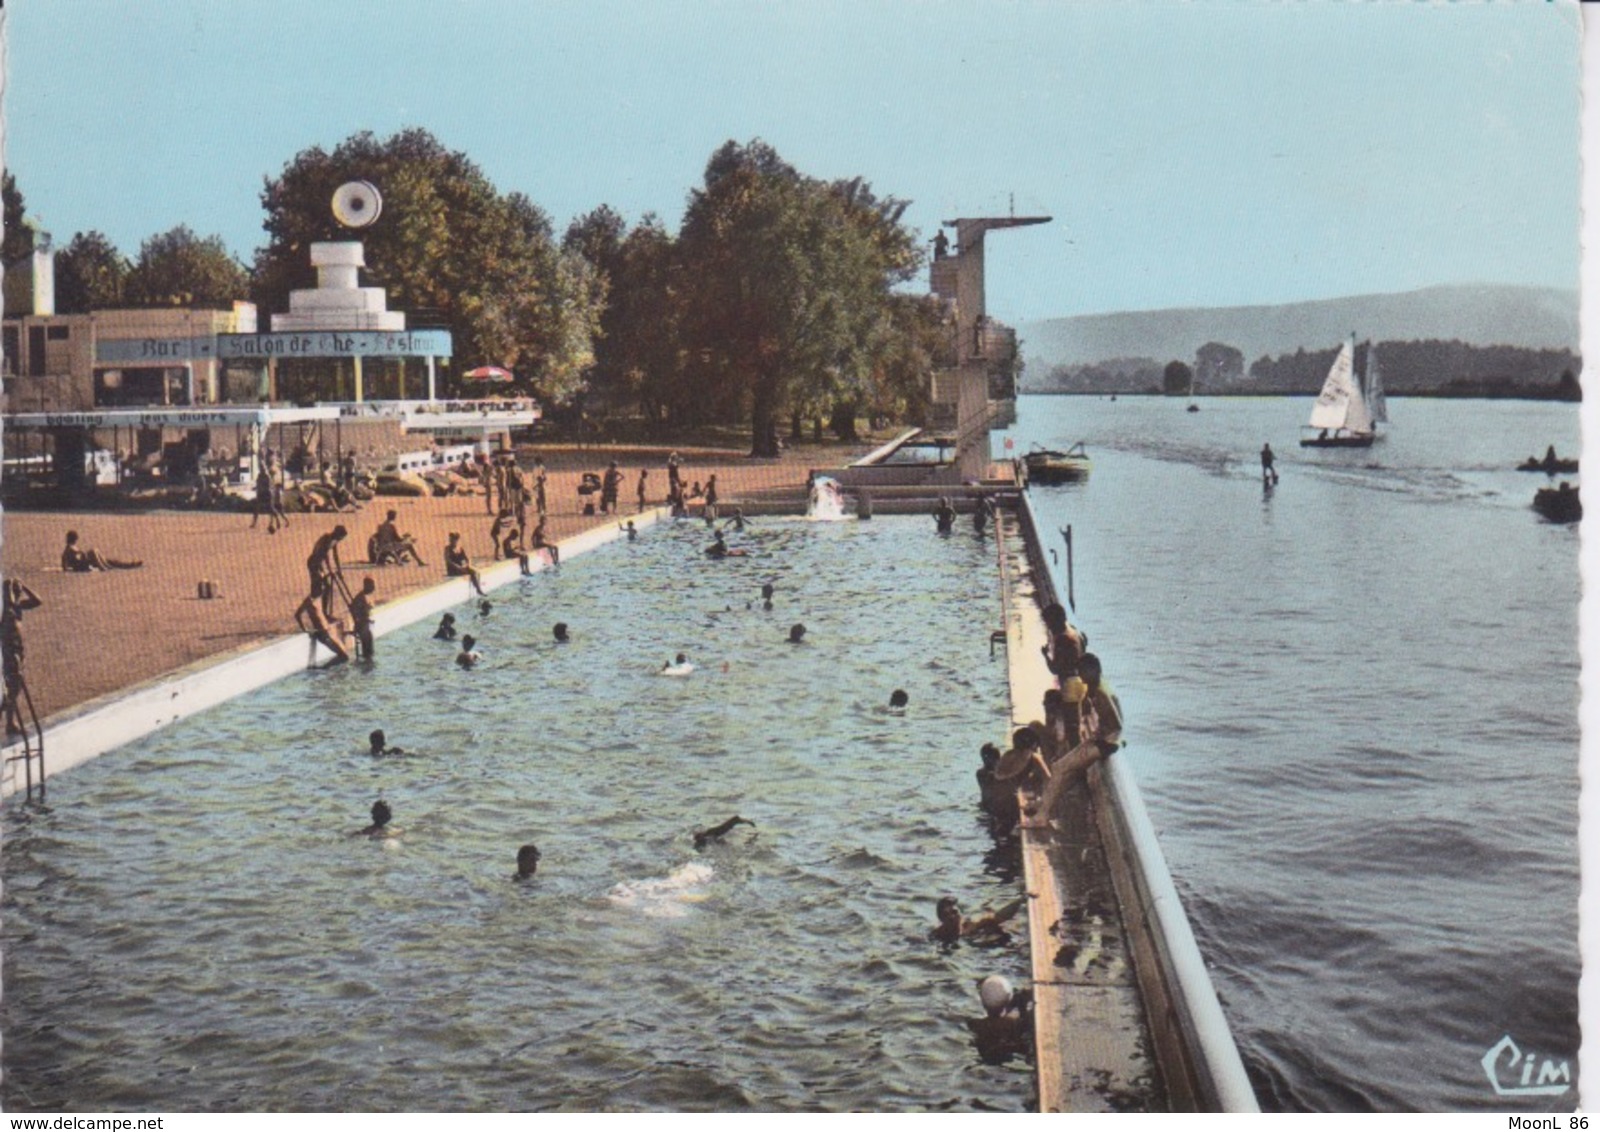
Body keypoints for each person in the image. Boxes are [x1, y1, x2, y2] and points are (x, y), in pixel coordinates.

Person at [967, 975, 1035, 1063]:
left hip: (989, 1055)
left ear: (982, 1001)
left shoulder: (974, 1024)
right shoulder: (1015, 1023)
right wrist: (1023, 1006)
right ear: (1009, 998)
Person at [931, 894, 1027, 944]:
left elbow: (999, 917)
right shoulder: (937, 934)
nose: (955, 918)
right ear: (942, 919)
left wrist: (1019, 901)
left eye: (956, 913)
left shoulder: (970, 924)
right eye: (950, 915)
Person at [305, 525, 348, 618]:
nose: (341, 540)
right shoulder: (327, 538)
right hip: (314, 563)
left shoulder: (334, 540)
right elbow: (325, 556)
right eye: (341, 537)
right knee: (317, 589)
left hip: (319, 564)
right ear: (337, 534)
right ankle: (317, 612)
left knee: (327, 587)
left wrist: (339, 571)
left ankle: (323, 612)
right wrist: (330, 570)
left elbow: (335, 556)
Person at [61, 530, 142, 572]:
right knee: (93, 551)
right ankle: (104, 568)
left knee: (110, 560)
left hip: (85, 563)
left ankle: (128, 565)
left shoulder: (72, 547)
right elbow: (65, 560)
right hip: (82, 566)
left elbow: (66, 561)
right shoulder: (69, 548)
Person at [349, 576, 377, 660]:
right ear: (367, 586)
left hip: (366, 625)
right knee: (368, 647)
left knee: (370, 647)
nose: (374, 588)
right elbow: (356, 614)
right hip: (362, 626)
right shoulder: (361, 598)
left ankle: (368, 659)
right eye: (372, 585)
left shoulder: (367, 596)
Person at [251, 466, 280, 533]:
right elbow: (258, 484)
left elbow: (268, 486)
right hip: (261, 493)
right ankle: (254, 523)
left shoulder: (267, 476)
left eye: (263, 469)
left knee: (271, 508)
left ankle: (277, 521)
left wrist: (262, 488)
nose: (262, 470)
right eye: (261, 469)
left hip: (267, 493)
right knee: (257, 508)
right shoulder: (259, 476)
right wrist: (256, 488)